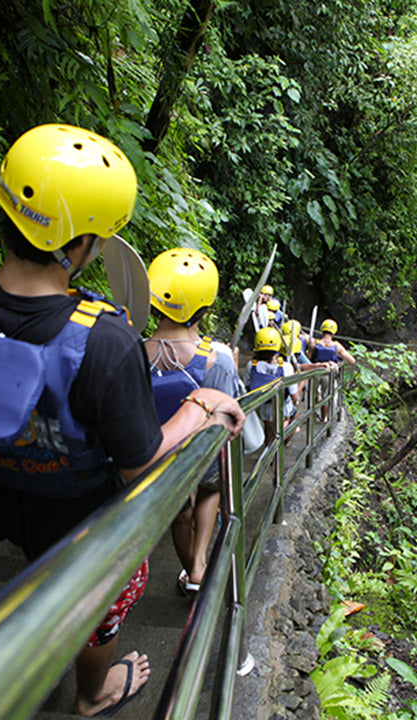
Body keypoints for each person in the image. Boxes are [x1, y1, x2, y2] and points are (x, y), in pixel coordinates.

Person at [0, 125, 244, 718]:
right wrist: (197, 408)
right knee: (102, 600)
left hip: (4, 496)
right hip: (88, 521)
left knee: (38, 564)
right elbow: (142, 464)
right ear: (84, 242)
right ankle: (94, 692)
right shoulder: (103, 341)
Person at [144, 247, 238, 596]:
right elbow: (227, 413)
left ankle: (190, 569)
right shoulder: (217, 360)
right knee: (211, 488)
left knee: (179, 511)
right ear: (205, 306)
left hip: (159, 455)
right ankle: (200, 563)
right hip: (203, 455)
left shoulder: (132, 353)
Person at [246, 327, 299, 446]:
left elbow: (247, 386)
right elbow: (294, 394)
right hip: (282, 406)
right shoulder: (286, 366)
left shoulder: (252, 365)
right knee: (290, 421)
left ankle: (268, 452)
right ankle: (277, 448)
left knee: (268, 428)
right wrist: (295, 401)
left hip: (263, 407)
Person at [307, 319, 356, 420]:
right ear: (334, 332)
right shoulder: (337, 346)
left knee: (313, 394)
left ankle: (313, 415)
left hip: (315, 372)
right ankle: (324, 419)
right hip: (328, 374)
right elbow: (352, 361)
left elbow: (308, 358)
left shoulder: (314, 343)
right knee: (326, 397)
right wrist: (339, 363)